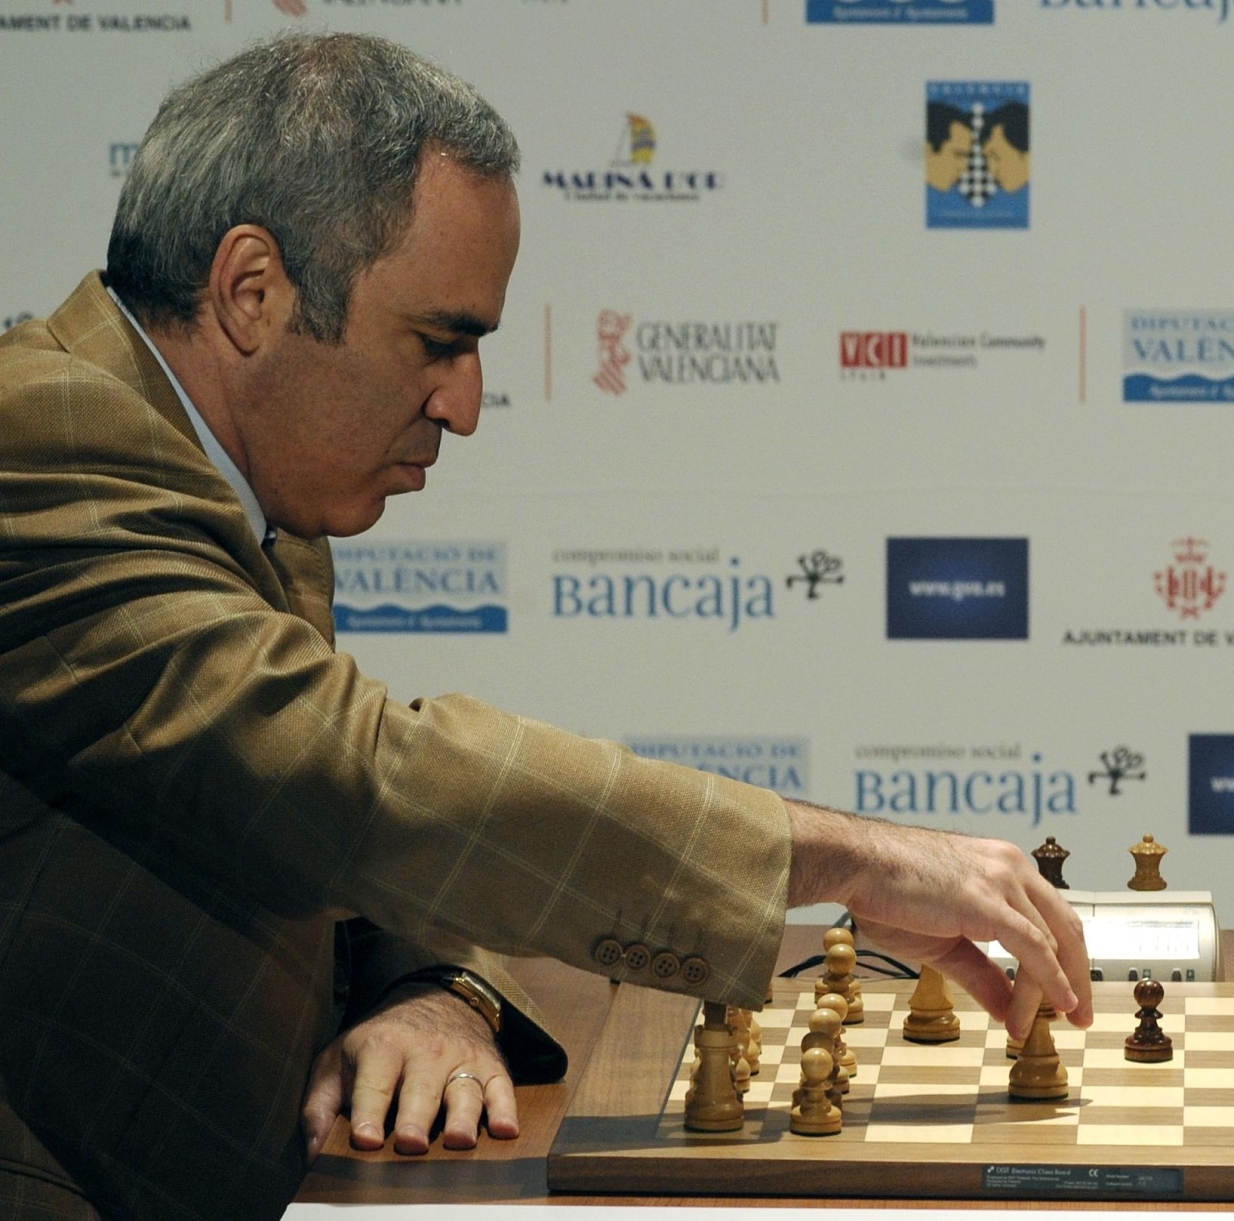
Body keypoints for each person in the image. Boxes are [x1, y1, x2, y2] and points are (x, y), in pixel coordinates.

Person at [0, 32, 1091, 1221]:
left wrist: (437, 989)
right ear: (253, 290)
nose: (463, 407)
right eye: (439, 340)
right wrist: (851, 859)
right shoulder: (42, 444)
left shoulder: (240, 485)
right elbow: (348, 777)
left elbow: (270, 816)